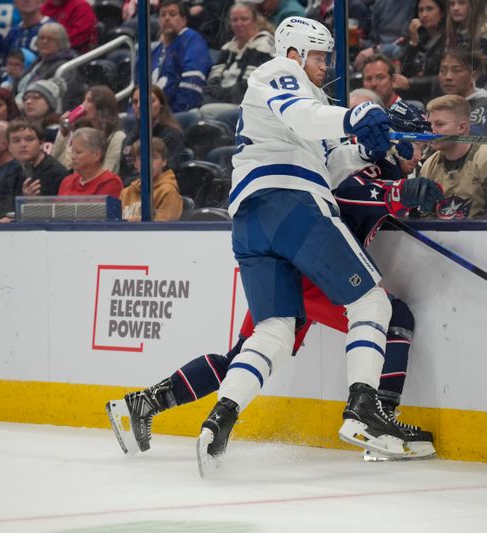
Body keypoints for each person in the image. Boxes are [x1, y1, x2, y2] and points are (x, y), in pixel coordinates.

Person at [106, 106, 443, 462]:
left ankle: (144, 403)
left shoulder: (358, 156)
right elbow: (348, 194)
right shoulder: (369, 163)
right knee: (394, 317)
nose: (419, 152)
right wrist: (397, 192)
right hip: (318, 271)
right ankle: (379, 421)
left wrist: (402, 193)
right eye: (415, 141)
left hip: (290, 265)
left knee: (244, 356)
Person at [196, 16, 416, 473]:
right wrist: (355, 115)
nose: (324, 65)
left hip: (253, 223)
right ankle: (363, 410)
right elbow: (304, 117)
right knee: (373, 303)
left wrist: (366, 148)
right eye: (318, 56)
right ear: (294, 52)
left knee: (273, 329)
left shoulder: (309, 99)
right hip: (290, 205)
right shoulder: (279, 73)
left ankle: (219, 420)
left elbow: (328, 165)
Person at [422, 94, 487, 218]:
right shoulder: (429, 165)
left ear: (462, 127)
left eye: (439, 124)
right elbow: (425, 215)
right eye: (430, 125)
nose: (432, 131)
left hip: (480, 235)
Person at [203, 2, 275, 105]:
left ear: (255, 21)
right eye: (235, 20)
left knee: (206, 112)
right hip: (220, 101)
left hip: (245, 105)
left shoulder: (264, 44)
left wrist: (217, 98)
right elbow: (212, 81)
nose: (239, 24)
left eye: (244, 19)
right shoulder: (227, 47)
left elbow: (248, 87)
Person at [151, 0, 212, 113]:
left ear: (183, 20)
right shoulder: (155, 51)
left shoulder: (192, 41)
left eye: (173, 14)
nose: (167, 18)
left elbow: (191, 87)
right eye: (163, 15)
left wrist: (173, 115)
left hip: (177, 115)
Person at [52, 86, 127, 174]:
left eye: (89, 101)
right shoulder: (82, 134)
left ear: (101, 106)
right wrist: (64, 133)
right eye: (84, 100)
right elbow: (59, 164)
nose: (83, 105)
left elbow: (108, 172)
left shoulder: (117, 137)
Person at [120, 85, 186, 183]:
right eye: (135, 102)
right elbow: (122, 172)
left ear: (161, 104)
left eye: (148, 100)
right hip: (129, 191)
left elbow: (167, 171)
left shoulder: (172, 135)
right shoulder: (130, 137)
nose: (139, 105)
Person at [15, 22, 84, 111]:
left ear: (60, 43)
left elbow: (61, 100)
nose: (44, 42)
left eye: (50, 39)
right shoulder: (38, 62)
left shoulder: (65, 68)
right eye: (41, 38)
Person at [120, 138, 183, 221]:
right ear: (135, 163)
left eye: (154, 157)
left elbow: (161, 230)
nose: (148, 162)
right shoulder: (125, 193)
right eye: (141, 158)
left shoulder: (169, 192)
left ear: (164, 161)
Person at [395, 0, 447, 102]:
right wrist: (413, 42)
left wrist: (411, 83)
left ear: (442, 12)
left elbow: (442, 78)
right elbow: (403, 71)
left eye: (429, 9)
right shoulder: (421, 37)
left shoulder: (449, 38)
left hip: (437, 96)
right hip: (416, 95)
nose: (424, 14)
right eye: (421, 10)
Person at [438, 48, 487, 129]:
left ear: (473, 76)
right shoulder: (440, 103)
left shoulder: (484, 103)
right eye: (443, 70)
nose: (448, 77)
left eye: (456, 71)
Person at [9, 118, 69, 198]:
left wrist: (30, 202)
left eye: (29, 139)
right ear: (8, 147)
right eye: (16, 141)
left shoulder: (55, 173)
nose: (23, 145)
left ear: (41, 143)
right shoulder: (12, 170)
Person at [57, 128, 124, 198]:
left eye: (78, 152)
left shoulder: (111, 182)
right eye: (72, 151)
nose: (73, 156)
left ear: (96, 155)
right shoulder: (67, 182)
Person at [0, 0, 51, 74]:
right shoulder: (13, 32)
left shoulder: (52, 30)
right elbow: (3, 66)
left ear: (42, 1)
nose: (26, 1)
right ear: (14, 2)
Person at [446, 0, 487, 69]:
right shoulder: (454, 33)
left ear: (474, 6)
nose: (455, 8)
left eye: (462, 3)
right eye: (452, 4)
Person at [20, 79, 62, 149]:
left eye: (36, 97)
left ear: (50, 103)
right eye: (25, 99)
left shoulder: (59, 132)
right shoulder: (18, 127)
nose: (28, 102)